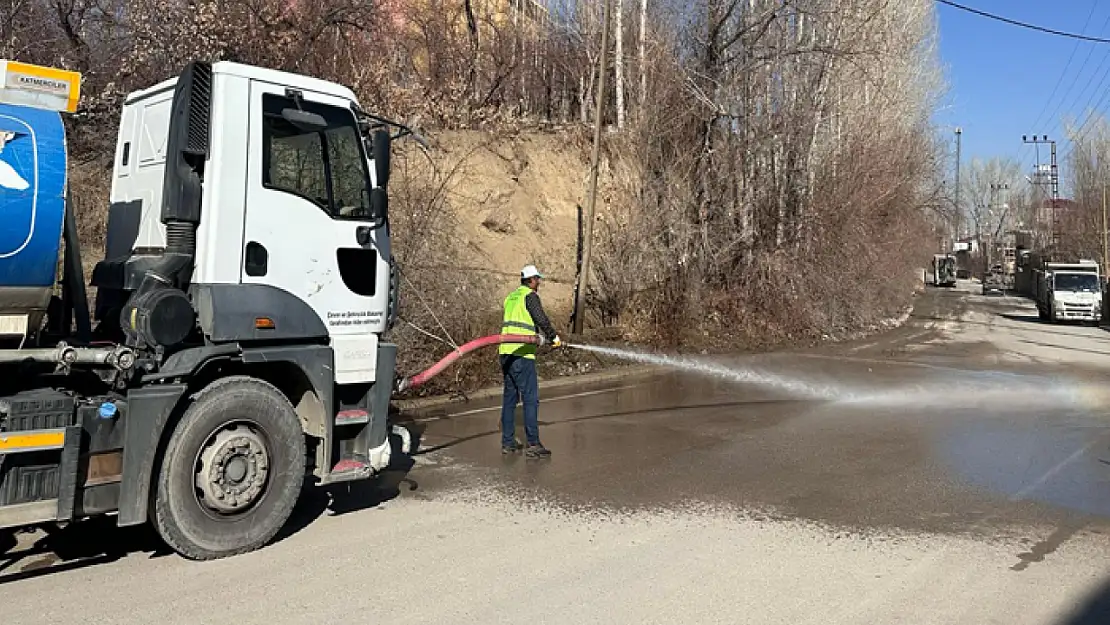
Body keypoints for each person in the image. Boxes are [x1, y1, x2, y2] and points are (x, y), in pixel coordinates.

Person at [499, 264, 561, 458]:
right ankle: (533, 443)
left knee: (510, 399)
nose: (539, 282)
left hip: (505, 353)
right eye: (537, 279)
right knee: (530, 399)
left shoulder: (511, 297)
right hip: (522, 354)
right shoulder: (530, 296)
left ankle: (508, 443)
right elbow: (540, 318)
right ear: (531, 280)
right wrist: (553, 336)